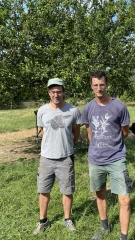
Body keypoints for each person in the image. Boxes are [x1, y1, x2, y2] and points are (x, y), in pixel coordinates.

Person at [81, 71, 132, 240]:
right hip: (96, 160)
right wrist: (98, 147)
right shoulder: (88, 108)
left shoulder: (119, 107)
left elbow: (124, 132)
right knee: (100, 194)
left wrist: (112, 144)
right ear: (91, 86)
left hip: (117, 158)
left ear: (106, 85)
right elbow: (90, 134)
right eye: (95, 85)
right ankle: (104, 228)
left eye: (101, 84)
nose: (99, 88)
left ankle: (123, 237)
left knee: (125, 200)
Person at [33, 78, 82, 235]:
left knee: (67, 190)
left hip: (65, 157)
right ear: (49, 93)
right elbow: (43, 132)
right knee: (43, 190)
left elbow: (76, 133)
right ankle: (43, 221)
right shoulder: (42, 111)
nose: (56, 94)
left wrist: (66, 146)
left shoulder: (73, 110)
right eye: (53, 92)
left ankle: (67, 219)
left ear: (63, 92)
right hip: (46, 158)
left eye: (59, 91)